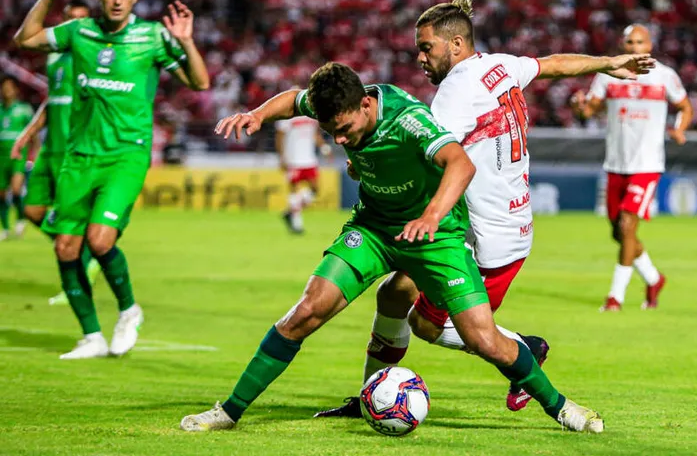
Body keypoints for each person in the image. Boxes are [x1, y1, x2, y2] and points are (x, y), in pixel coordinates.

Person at [180, 62, 604, 433]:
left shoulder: (408, 119)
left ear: (366, 104)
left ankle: (562, 407)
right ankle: (229, 412)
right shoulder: (335, 100)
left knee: (484, 339)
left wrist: (432, 216)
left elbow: (460, 163)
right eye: (331, 132)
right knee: (305, 312)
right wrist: (257, 114)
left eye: (344, 130)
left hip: (435, 236)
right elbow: (293, 100)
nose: (339, 141)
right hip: (374, 230)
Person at [315, 0, 658, 418]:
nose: (420, 57)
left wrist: (365, 164)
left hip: (488, 237)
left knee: (431, 325)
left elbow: (431, 157)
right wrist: (606, 62)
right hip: (504, 222)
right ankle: (369, 396)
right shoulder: (501, 65)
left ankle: (524, 351)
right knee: (393, 294)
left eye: (427, 47)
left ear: (456, 44)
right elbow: (552, 64)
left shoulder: (456, 92)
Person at [13, 0, 209, 359]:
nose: (117, 1)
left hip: (126, 155)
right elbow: (26, 38)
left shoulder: (152, 36)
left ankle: (129, 311)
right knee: (65, 247)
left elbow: (200, 82)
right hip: (79, 156)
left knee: (99, 239)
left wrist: (187, 42)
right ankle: (92, 337)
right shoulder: (79, 32)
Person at [571, 24, 693, 312]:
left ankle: (615, 297)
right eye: (630, 42)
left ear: (649, 45)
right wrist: (578, 106)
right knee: (619, 233)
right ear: (622, 45)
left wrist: (679, 129)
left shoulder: (665, 76)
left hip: (647, 164)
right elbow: (590, 110)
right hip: (616, 164)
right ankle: (654, 279)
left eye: (640, 42)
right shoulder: (608, 74)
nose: (635, 47)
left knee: (627, 226)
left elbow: (685, 107)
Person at [11, 0, 102, 306]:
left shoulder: (91, 57)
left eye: (81, 20)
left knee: (68, 222)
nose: (75, 25)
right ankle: (85, 253)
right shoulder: (54, 57)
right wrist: (28, 133)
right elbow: (53, 100)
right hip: (51, 147)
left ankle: (76, 280)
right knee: (32, 210)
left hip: (75, 149)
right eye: (70, 19)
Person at [274, 115, 332, 234]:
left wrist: (325, 148)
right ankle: (297, 225)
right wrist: (281, 157)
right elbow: (279, 137)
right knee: (294, 191)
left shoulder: (312, 114)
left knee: (315, 189)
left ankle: (290, 212)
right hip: (293, 160)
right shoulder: (287, 116)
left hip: (309, 159)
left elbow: (315, 134)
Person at [0, 76, 35, 240]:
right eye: (4, 87)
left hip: (18, 155)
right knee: (1, 193)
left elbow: (34, 133)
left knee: (16, 189)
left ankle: (20, 219)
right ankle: (5, 228)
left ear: (15, 90)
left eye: (9, 87)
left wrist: (35, 153)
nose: (7, 91)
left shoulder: (24, 109)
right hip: (1, 156)